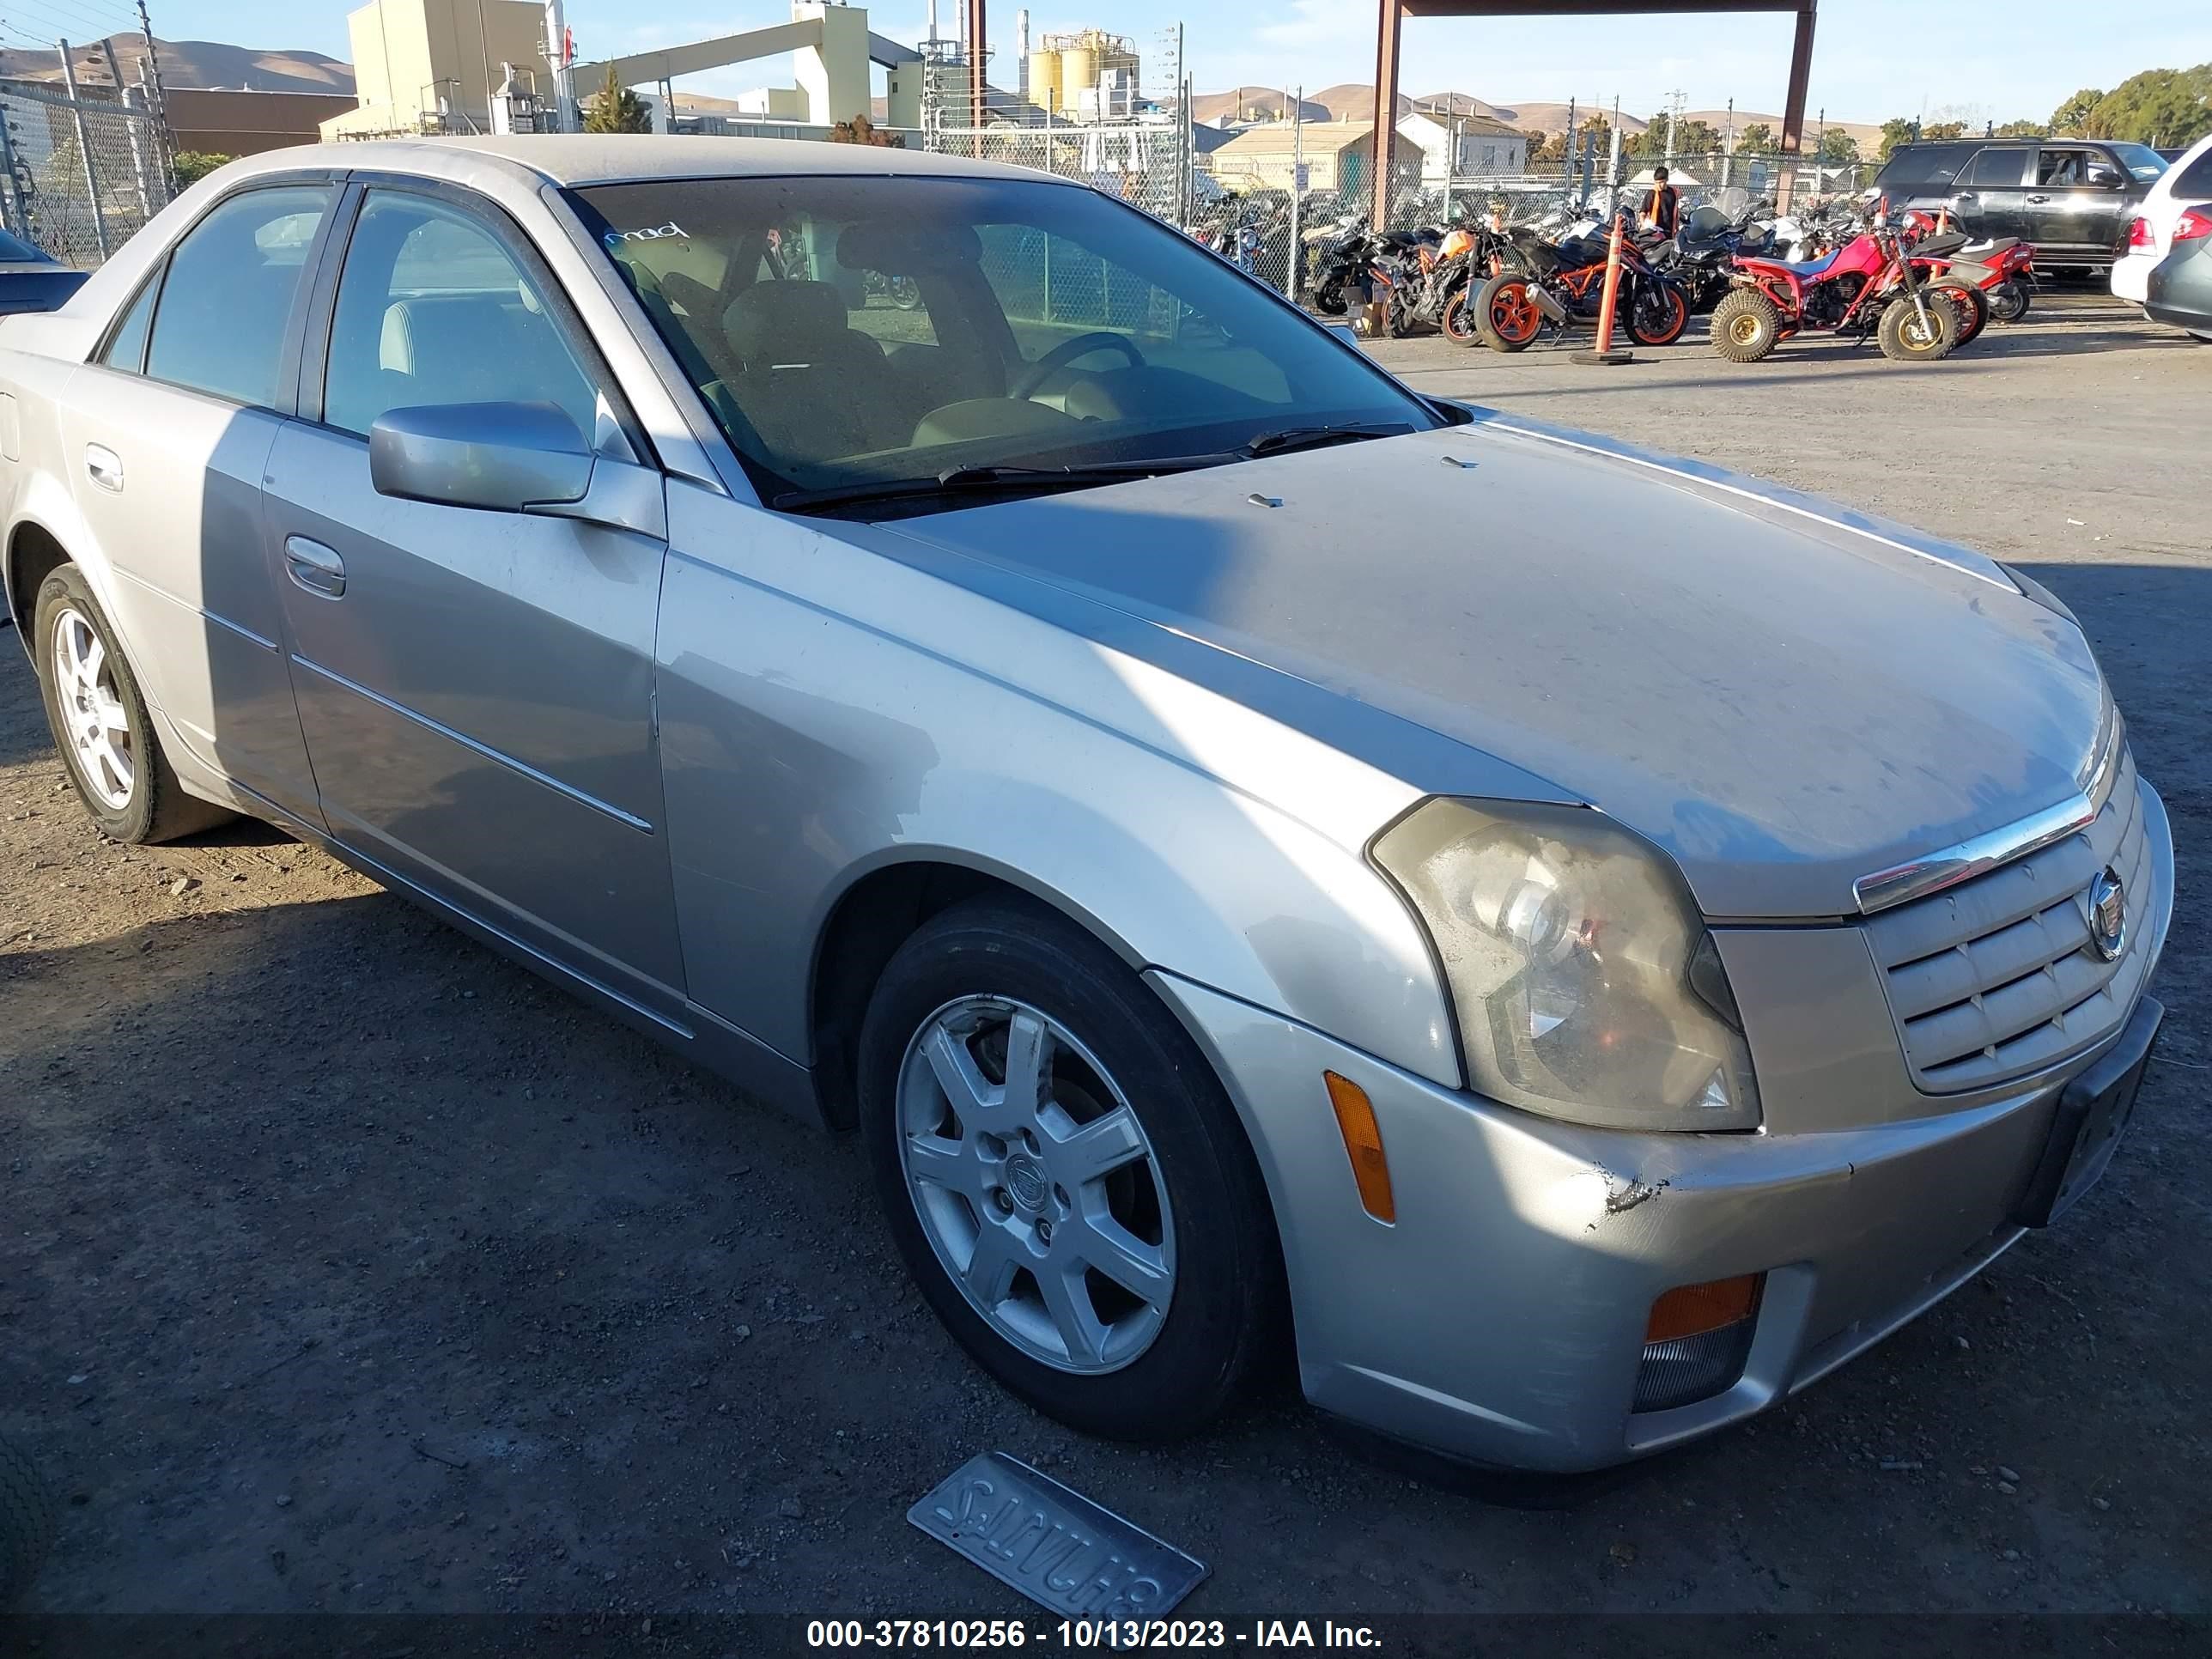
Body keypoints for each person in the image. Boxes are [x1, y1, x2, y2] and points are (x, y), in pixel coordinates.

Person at [1639, 166, 1681, 239]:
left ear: (1667, 179)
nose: (1659, 185)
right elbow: (1642, 213)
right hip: (1655, 233)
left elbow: (1675, 213)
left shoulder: (1673, 192)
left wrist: (1677, 229)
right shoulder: (1652, 193)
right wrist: (1645, 228)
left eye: (1661, 182)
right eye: (1657, 182)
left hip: (1669, 232)